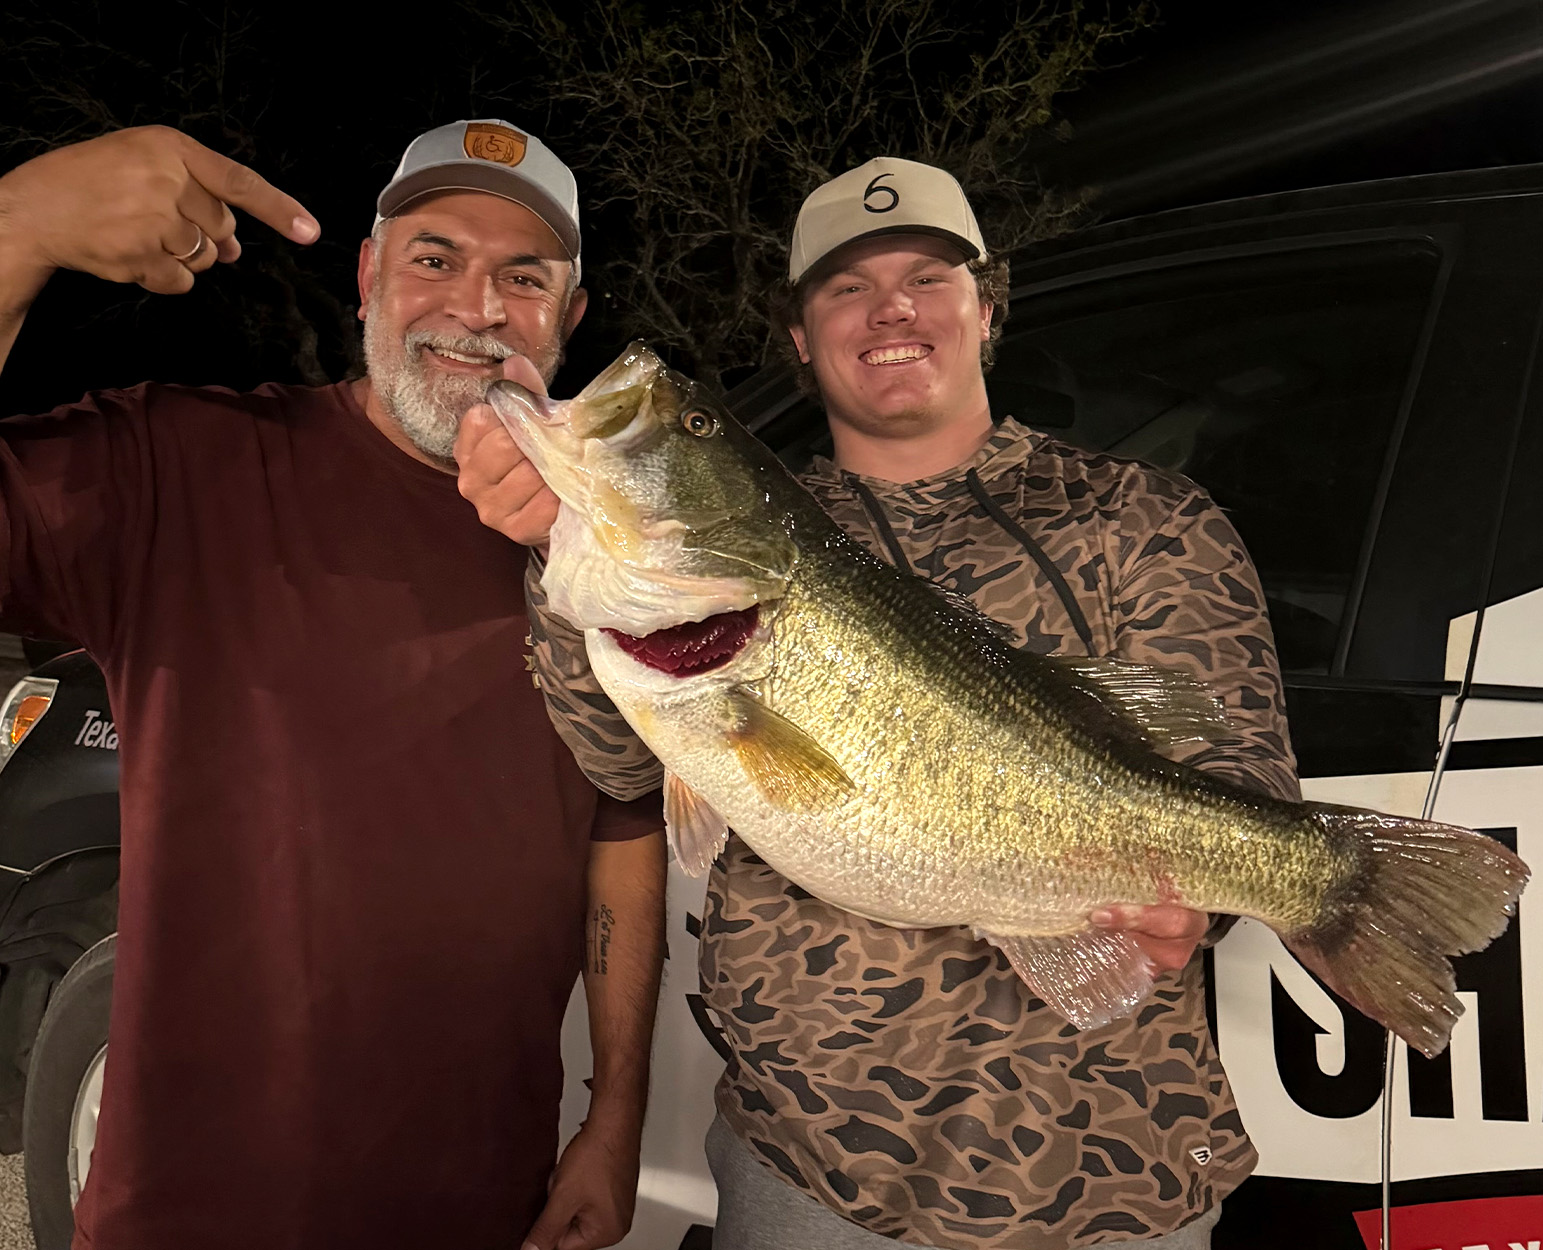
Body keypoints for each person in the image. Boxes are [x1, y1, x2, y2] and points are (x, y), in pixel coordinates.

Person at [459, 158, 1300, 1248]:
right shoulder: (772, 524)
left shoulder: (1144, 517)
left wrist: (1207, 892)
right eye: (845, 287)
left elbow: (1238, 777)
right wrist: (557, 553)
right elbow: (620, 768)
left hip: (1106, 1166)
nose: (889, 306)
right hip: (809, 1165)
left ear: (985, 309)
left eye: (927, 276)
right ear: (801, 338)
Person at [0, 119, 665, 1250]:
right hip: (186, 1213)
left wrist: (615, 1114)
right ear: (366, 275)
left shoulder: (614, 547)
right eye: (434, 256)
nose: (477, 306)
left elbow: (622, 829)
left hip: (477, 1207)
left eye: (524, 276)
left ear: (570, 317)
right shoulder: (187, 466)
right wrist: (14, 228)